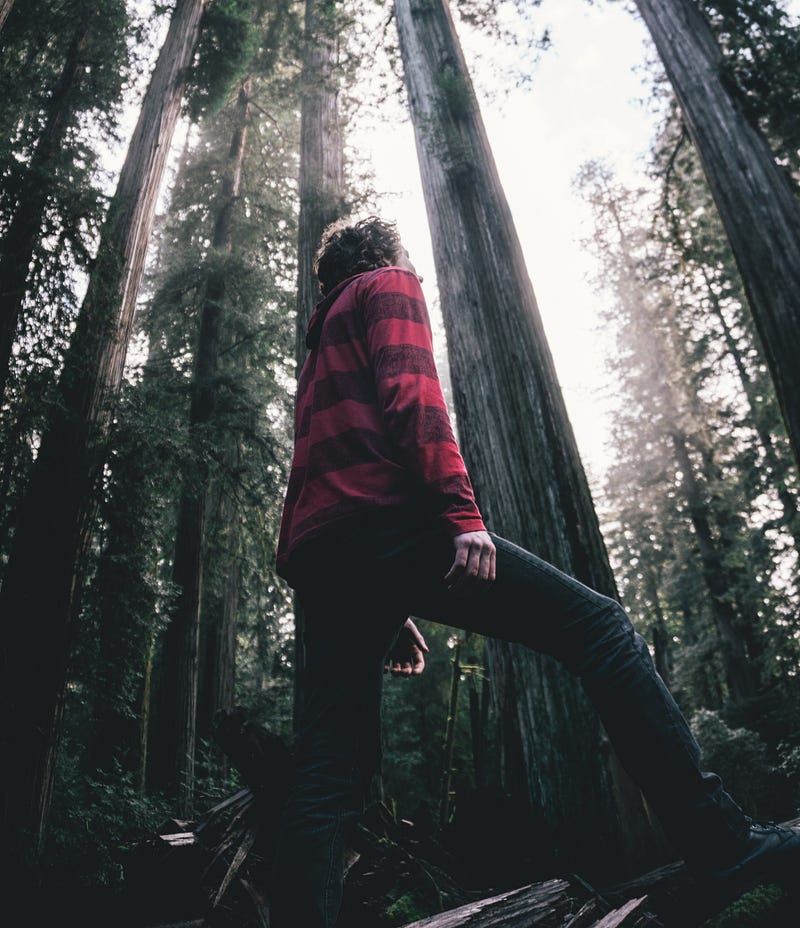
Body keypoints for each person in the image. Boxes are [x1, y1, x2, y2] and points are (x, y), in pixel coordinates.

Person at [270, 215, 800, 928]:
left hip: (323, 554)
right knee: (601, 628)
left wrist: (389, 609)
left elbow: (326, 471)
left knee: (327, 772)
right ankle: (724, 845)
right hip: (387, 527)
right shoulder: (387, 285)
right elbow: (412, 400)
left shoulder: (319, 344)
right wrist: (461, 516)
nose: (415, 270)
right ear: (385, 256)